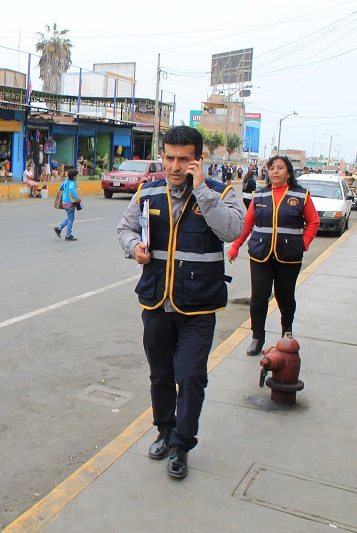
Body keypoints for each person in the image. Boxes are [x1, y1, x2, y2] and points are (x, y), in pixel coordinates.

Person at [117, 125, 244, 480]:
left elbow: (233, 231)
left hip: (199, 307)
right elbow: (125, 229)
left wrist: (202, 190)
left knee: (190, 376)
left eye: (183, 159)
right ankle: (164, 430)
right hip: (157, 301)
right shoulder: (147, 191)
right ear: (162, 157)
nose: (175, 166)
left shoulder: (222, 192)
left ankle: (182, 445)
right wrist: (134, 248)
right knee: (161, 374)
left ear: (197, 160)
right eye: (169, 158)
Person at [227, 155, 320, 357]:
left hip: (289, 256)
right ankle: (257, 337)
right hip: (261, 254)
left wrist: (303, 243)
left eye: (280, 168)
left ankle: (287, 332)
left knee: (285, 296)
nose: (275, 171)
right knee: (258, 297)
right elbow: (248, 224)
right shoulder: (259, 196)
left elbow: (313, 222)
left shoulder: (301, 196)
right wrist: (236, 246)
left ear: (288, 172)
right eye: (272, 168)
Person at [53, 168, 80, 241]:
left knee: (70, 217)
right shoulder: (72, 183)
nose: (77, 177)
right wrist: (76, 198)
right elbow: (71, 189)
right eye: (76, 176)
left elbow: (60, 187)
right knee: (71, 218)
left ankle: (59, 228)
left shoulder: (66, 182)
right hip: (69, 203)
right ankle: (68, 234)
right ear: (74, 177)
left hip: (64, 202)